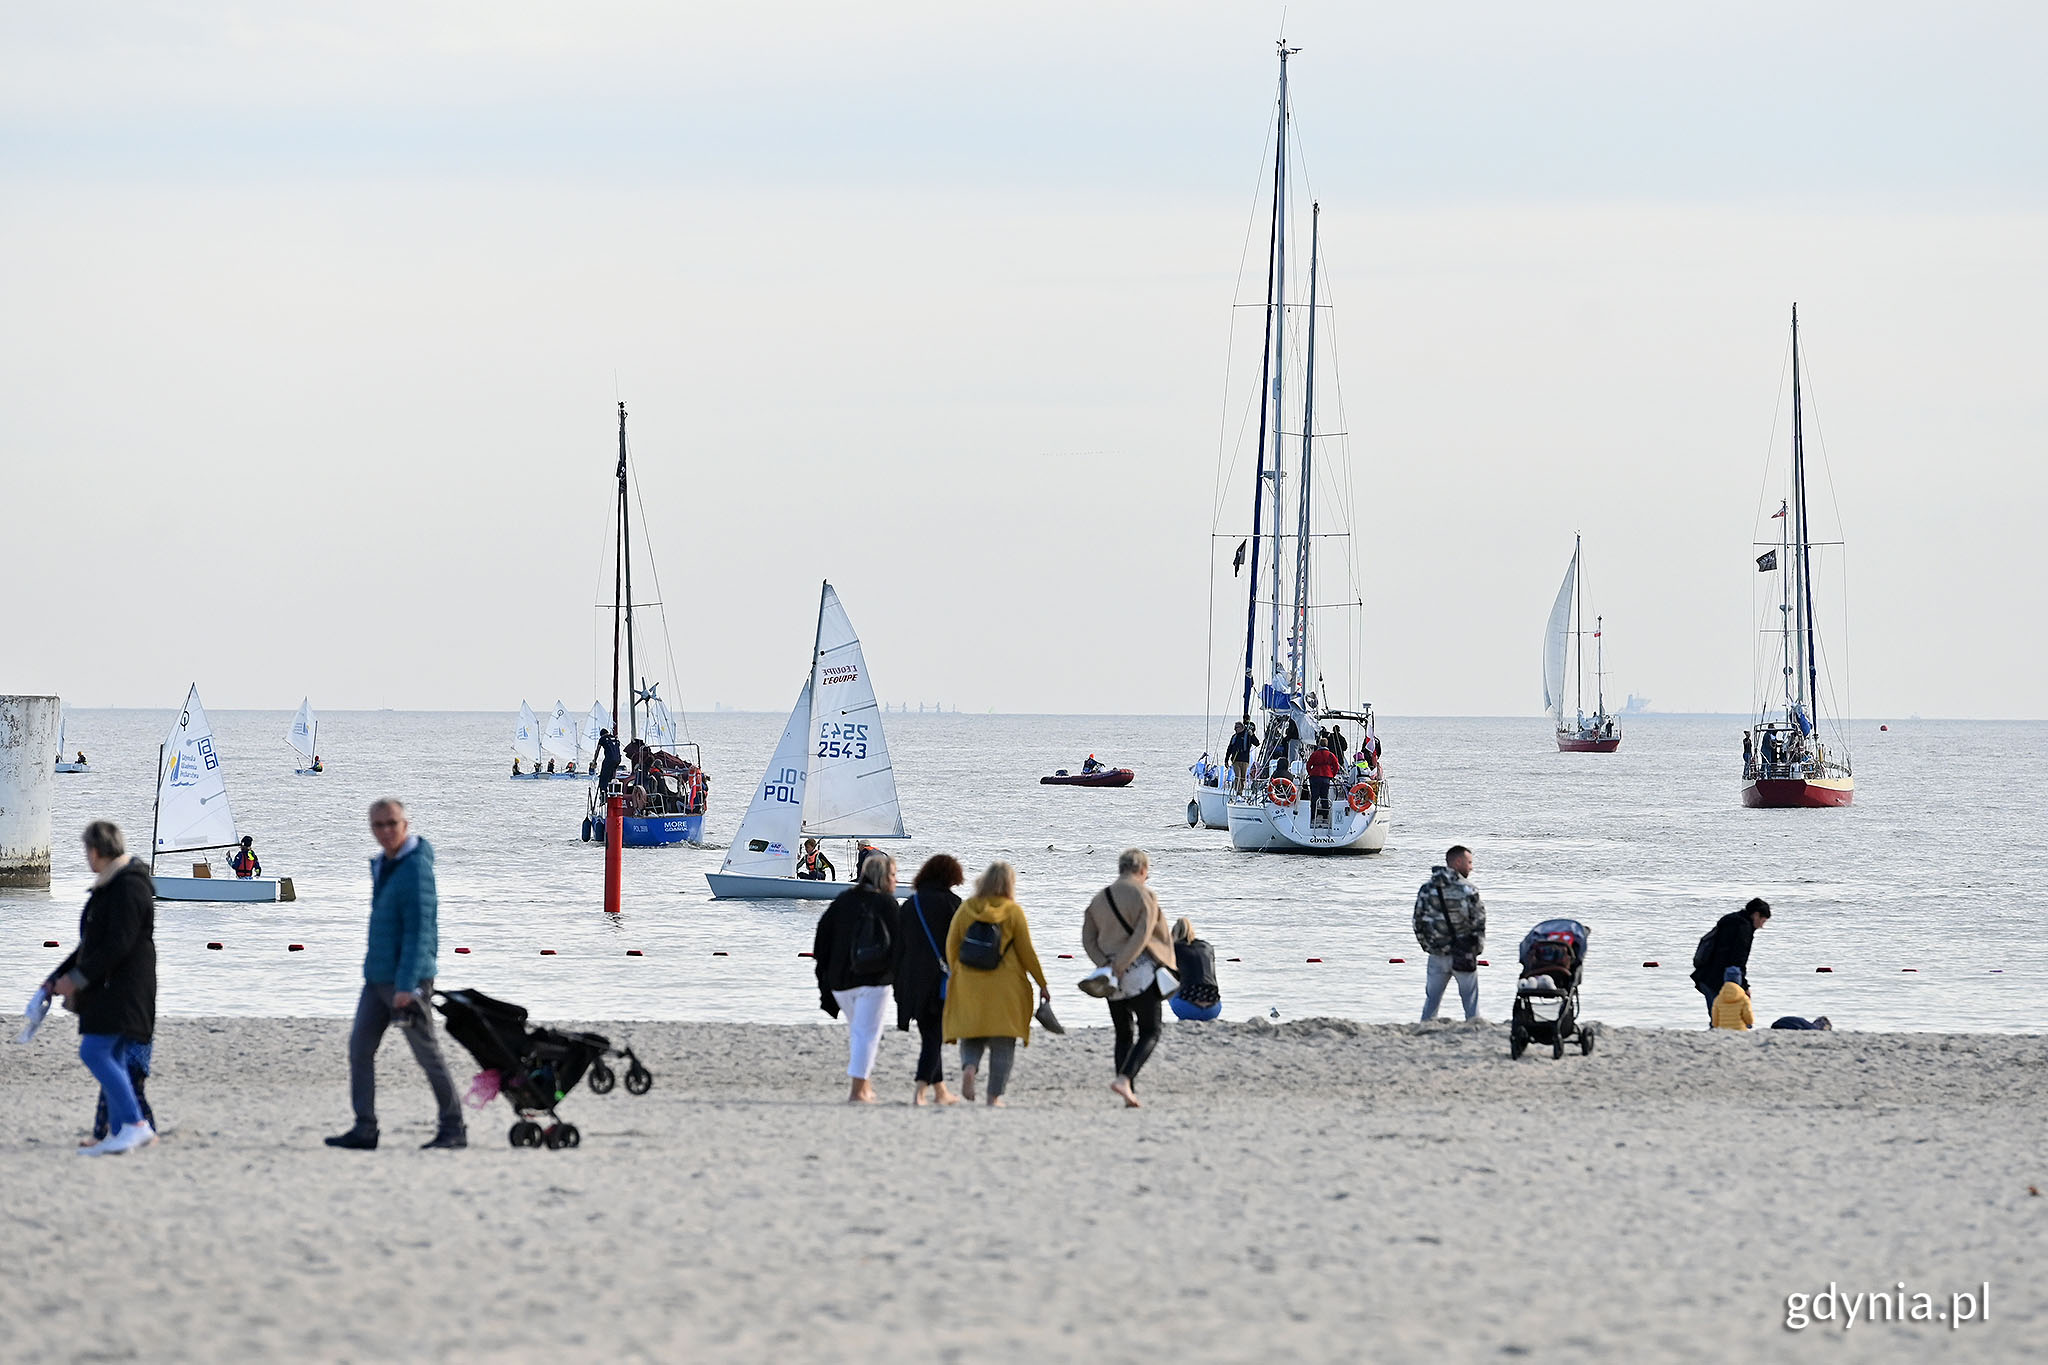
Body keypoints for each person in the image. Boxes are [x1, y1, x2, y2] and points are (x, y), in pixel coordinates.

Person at [326, 799, 465, 1150]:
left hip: (408, 981)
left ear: (406, 823)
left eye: (392, 823)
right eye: (378, 826)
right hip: (377, 977)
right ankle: (365, 1128)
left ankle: (454, 1128)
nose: (386, 831)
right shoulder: (383, 864)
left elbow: (420, 932)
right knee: (359, 1049)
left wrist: (407, 986)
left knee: (427, 1054)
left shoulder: (416, 867)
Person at [48, 820, 158, 1156]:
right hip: (114, 988)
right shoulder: (111, 885)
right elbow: (89, 945)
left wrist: (76, 980)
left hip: (124, 990)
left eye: (87, 851)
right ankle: (123, 1130)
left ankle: (135, 1126)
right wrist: (56, 978)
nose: (86, 858)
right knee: (113, 1057)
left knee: (94, 1051)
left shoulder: (128, 886)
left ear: (96, 851)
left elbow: (116, 946)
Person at [942, 861, 1051, 1107]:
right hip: (1006, 987)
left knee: (972, 1035)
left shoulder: (967, 908)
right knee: (1003, 1044)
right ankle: (993, 1097)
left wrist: (957, 972)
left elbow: (951, 945)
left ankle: (969, 1068)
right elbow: (1027, 953)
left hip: (969, 983)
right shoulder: (1013, 912)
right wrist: (1042, 983)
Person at [1082, 848, 1178, 1108]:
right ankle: (1125, 1080)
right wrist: (1123, 963)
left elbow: (1087, 938)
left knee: (1123, 1034)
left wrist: (1106, 965)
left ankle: (1127, 1092)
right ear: (1142, 870)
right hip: (1140, 973)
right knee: (1151, 1030)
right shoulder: (1145, 894)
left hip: (1110, 978)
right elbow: (1143, 934)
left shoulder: (1100, 898)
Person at [812, 853, 901, 1103]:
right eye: (893, 875)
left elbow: (822, 939)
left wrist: (825, 973)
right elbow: (900, 945)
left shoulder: (843, 899)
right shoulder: (887, 904)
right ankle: (856, 1091)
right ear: (882, 877)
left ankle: (865, 1087)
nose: (896, 880)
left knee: (859, 1031)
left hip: (840, 982)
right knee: (867, 1034)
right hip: (874, 980)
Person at [895, 854, 964, 1106]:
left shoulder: (910, 905)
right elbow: (961, 946)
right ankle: (920, 1091)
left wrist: (897, 985)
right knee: (934, 1037)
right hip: (940, 982)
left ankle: (941, 1090)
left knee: (929, 1034)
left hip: (911, 982)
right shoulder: (954, 904)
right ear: (952, 876)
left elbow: (898, 947)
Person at [1414, 845, 1486, 1021]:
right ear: (1458, 862)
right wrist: (1475, 950)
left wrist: (1428, 946)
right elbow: (1479, 923)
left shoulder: (1427, 889)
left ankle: (1426, 1030)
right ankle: (1473, 1031)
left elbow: (1418, 922)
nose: (1471, 867)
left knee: (1431, 1003)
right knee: (1471, 1004)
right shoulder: (1469, 890)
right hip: (1463, 953)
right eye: (1469, 862)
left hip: (1437, 954)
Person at [1691, 898, 1771, 1019]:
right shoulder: (1744, 928)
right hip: (1723, 979)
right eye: (1763, 921)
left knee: (1716, 1018)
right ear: (1756, 915)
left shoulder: (1729, 920)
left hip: (1706, 975)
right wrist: (1745, 987)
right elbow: (1738, 960)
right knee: (1733, 1018)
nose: (1761, 926)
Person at [1167, 918, 1222, 1023]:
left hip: (1188, 1009)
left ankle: (1182, 1019)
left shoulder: (1174, 948)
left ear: (1173, 935)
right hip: (1214, 1009)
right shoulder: (1207, 947)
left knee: (1167, 981)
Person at [1305, 741, 1341, 820]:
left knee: (1314, 797)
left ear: (1319, 745)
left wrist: (1310, 772)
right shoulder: (1330, 755)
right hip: (1326, 777)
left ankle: (1313, 815)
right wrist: (1332, 775)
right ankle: (1325, 815)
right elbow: (1336, 766)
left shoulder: (1314, 754)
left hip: (1314, 777)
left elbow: (1308, 765)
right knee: (1324, 796)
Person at [1224, 721, 1254, 793]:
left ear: (1241, 727)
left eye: (1236, 728)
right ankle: (1238, 792)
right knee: (1238, 776)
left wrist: (1252, 735)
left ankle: (1240, 790)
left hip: (1245, 760)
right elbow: (1229, 748)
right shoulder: (1234, 737)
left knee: (1243, 778)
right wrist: (1226, 759)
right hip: (1235, 760)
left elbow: (1257, 743)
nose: (1235, 729)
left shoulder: (1248, 735)